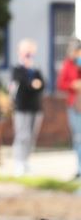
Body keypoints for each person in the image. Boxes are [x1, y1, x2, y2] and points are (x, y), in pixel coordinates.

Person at [10, 38, 44, 176]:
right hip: (22, 107)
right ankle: (19, 161)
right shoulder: (17, 68)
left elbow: (42, 84)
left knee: (31, 136)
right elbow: (23, 84)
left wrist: (35, 83)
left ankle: (26, 160)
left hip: (35, 107)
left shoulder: (35, 69)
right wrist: (32, 84)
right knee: (22, 135)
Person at [57, 38, 81, 179]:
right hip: (75, 105)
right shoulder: (68, 64)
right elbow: (61, 84)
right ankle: (79, 168)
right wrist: (73, 84)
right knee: (78, 137)